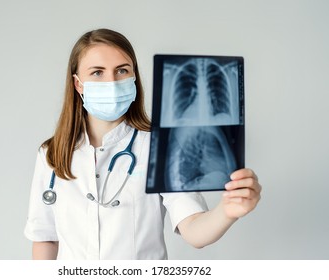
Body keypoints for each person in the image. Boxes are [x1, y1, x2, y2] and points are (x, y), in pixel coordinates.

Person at [24, 28, 261, 260]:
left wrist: (227, 211)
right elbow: (45, 237)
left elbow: (194, 230)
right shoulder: (51, 154)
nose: (112, 82)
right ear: (78, 84)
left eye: (122, 71)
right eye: (97, 72)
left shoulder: (161, 147)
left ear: (134, 77)